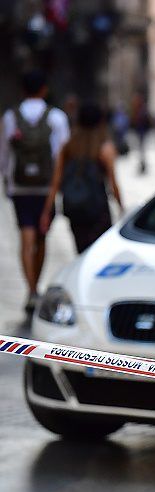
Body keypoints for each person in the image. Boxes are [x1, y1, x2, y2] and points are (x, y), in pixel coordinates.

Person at [0, 70, 70, 313]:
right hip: (46, 187)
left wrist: (7, 181)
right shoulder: (57, 118)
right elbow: (61, 156)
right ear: (44, 89)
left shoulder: (11, 117)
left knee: (25, 234)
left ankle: (30, 289)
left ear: (22, 90)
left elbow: (5, 153)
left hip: (20, 186)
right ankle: (35, 284)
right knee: (41, 237)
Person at [40, 102, 123, 253]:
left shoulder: (68, 147)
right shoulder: (104, 148)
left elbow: (56, 181)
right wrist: (121, 208)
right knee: (100, 253)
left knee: (82, 251)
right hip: (98, 210)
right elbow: (113, 183)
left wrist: (47, 211)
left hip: (75, 208)